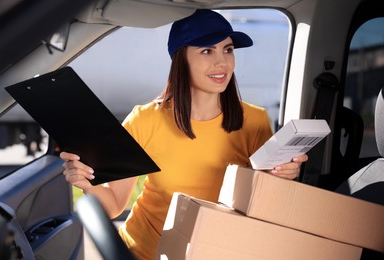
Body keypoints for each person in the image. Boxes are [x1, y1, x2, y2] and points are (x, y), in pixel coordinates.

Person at [61, 9, 308, 260]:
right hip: (142, 253)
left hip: (213, 252)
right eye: (206, 51)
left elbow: (262, 205)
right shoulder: (145, 120)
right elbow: (114, 205)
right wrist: (85, 183)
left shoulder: (254, 121)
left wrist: (280, 176)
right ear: (181, 59)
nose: (222, 62)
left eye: (228, 49)